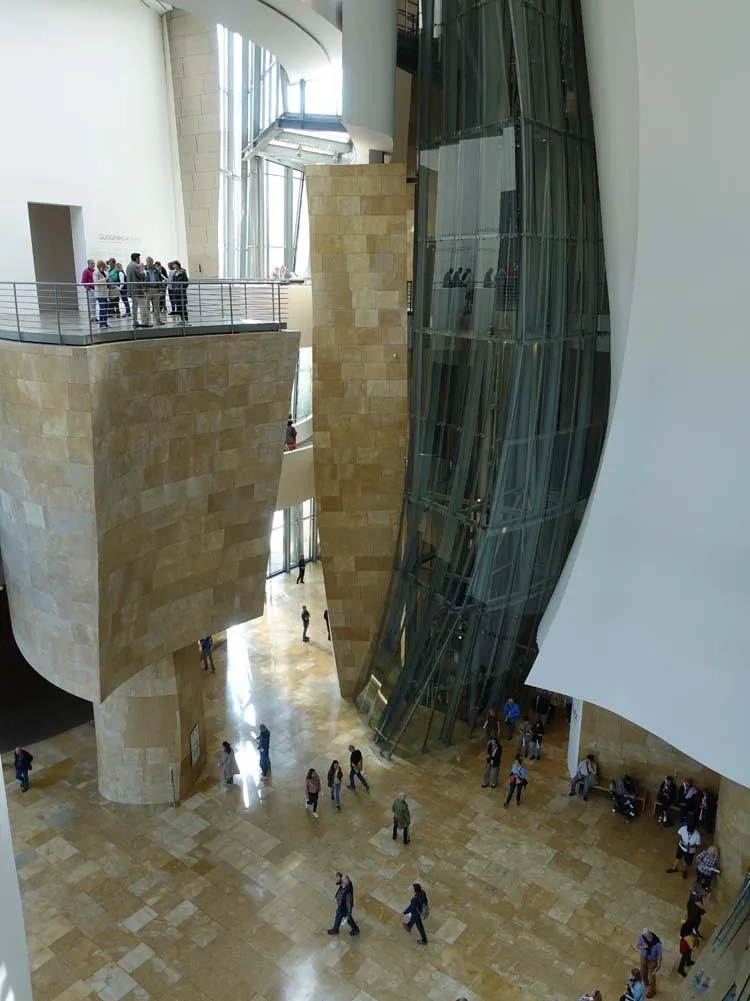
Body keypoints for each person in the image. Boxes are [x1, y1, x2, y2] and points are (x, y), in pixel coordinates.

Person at [636, 929, 662, 998]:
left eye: (650, 936)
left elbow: (659, 955)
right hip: (643, 958)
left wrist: (658, 965)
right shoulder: (642, 937)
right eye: (647, 937)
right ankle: (646, 983)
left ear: (650, 933)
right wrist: (643, 947)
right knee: (643, 972)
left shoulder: (657, 943)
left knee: (651, 977)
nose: (649, 938)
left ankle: (652, 991)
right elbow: (638, 946)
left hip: (652, 961)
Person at [126, 252, 148, 328]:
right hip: (138, 290)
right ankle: (144, 322)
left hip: (131, 290)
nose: (140, 260)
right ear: (137, 258)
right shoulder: (136, 266)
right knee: (143, 306)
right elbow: (141, 275)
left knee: (134, 308)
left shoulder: (128, 266)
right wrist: (144, 271)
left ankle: (135, 322)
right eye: (139, 258)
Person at [144, 256, 165, 324]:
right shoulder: (144, 270)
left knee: (157, 306)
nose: (150, 263)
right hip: (148, 289)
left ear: (153, 262)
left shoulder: (156, 270)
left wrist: (162, 289)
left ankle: (158, 320)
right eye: (148, 261)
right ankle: (147, 321)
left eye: (151, 261)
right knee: (147, 306)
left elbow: (160, 279)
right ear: (146, 262)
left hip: (156, 289)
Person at [93, 260, 110, 329]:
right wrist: (105, 279)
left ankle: (105, 323)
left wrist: (108, 280)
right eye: (102, 267)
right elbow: (96, 282)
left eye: (104, 267)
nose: (103, 268)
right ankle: (101, 323)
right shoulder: (95, 273)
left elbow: (107, 281)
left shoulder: (105, 273)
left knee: (105, 309)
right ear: (99, 267)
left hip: (105, 293)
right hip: (99, 294)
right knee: (102, 308)